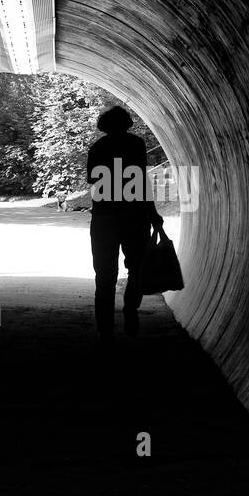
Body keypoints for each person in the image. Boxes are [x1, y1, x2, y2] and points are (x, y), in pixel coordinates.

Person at [86, 106, 164, 343]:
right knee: (137, 268)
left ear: (104, 125)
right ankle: (130, 310)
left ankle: (105, 327)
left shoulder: (98, 147)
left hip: (104, 217)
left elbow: (92, 178)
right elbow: (140, 179)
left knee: (105, 274)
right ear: (127, 123)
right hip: (135, 216)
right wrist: (152, 213)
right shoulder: (136, 145)